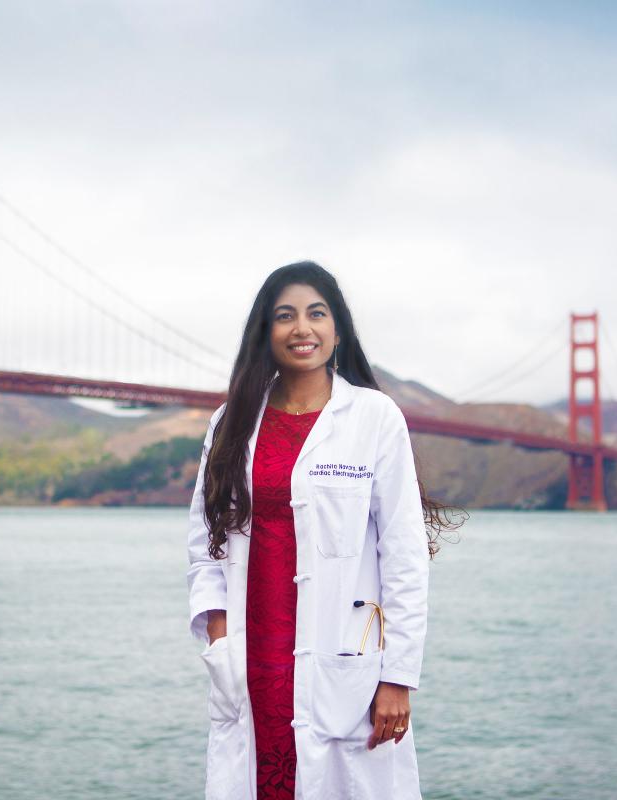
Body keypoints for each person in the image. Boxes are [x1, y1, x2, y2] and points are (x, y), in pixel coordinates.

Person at [186, 261, 456, 799]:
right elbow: (204, 543)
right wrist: (219, 635)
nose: (301, 328)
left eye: (316, 313)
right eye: (284, 316)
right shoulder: (231, 423)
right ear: (266, 331)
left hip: (344, 663)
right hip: (253, 658)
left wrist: (398, 676)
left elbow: (403, 556)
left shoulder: (374, 418)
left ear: (338, 329)